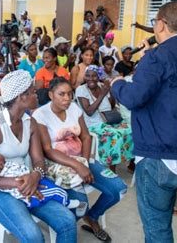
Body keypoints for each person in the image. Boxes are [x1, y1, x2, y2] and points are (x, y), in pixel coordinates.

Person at [110, 1, 177, 242]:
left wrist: (117, 84)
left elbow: (135, 98)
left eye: (155, 21)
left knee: (157, 230)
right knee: (162, 220)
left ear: (162, 24)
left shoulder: (158, 57)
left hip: (161, 157)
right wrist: (149, 58)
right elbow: (172, 90)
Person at [0, 70, 77, 243]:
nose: (37, 94)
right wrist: (16, 182)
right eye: (33, 92)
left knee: (67, 221)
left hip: (26, 182)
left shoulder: (30, 123)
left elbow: (38, 160)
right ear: (22, 97)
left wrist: (35, 176)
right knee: (34, 237)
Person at [33, 77, 127, 242]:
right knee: (80, 207)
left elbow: (85, 137)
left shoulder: (74, 109)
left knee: (118, 189)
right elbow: (47, 150)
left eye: (70, 94)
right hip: (59, 164)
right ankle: (66, 227)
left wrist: (84, 162)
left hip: (81, 159)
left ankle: (92, 217)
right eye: (61, 94)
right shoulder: (41, 114)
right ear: (50, 95)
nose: (67, 98)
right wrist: (77, 165)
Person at [0, 152, 82, 210]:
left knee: (47, 182)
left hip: (32, 184)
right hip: (32, 196)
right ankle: (66, 202)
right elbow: (23, 179)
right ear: (0, 165)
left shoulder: (1, 172)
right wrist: (30, 176)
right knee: (57, 192)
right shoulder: (9, 171)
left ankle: (54, 187)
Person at [76, 66, 133, 168]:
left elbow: (110, 107)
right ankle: (112, 166)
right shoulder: (81, 90)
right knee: (115, 135)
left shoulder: (103, 86)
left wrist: (110, 92)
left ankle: (132, 163)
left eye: (94, 76)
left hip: (108, 121)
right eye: (88, 76)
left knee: (131, 129)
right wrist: (102, 94)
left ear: (98, 77)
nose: (90, 79)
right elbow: (89, 111)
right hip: (92, 124)